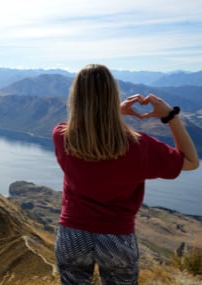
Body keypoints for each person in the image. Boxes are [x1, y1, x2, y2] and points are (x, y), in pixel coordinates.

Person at [52, 64, 199, 285]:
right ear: (113, 95)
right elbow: (191, 162)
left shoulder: (62, 136)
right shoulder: (139, 146)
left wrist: (113, 112)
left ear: (76, 97)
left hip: (72, 234)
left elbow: (91, 130)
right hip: (116, 237)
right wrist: (171, 116)